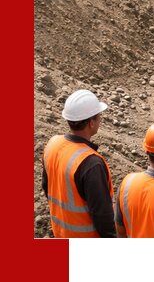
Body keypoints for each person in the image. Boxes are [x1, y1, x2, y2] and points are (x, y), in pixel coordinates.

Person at [42, 89, 115, 238]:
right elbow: (103, 216)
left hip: (60, 233)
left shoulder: (52, 144)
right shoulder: (91, 163)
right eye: (99, 116)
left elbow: (46, 186)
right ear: (91, 123)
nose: (100, 120)